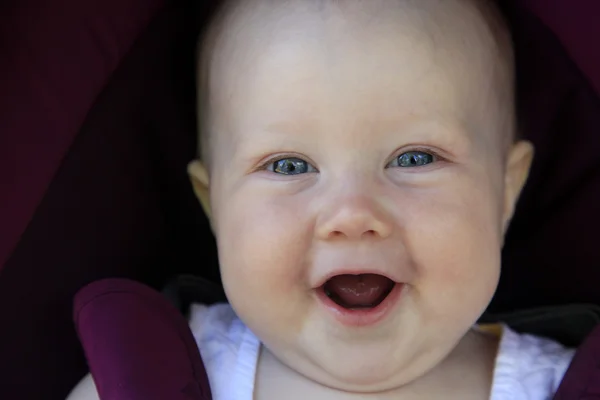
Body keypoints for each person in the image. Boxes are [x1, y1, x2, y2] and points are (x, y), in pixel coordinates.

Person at [68, 0, 575, 398]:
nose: (353, 214)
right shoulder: (163, 375)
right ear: (214, 203)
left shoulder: (563, 386)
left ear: (505, 191)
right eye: (289, 166)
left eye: (416, 159)